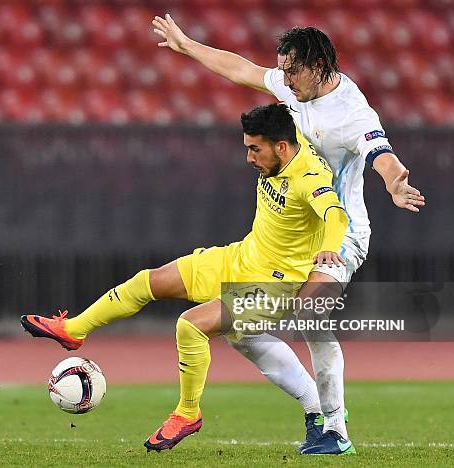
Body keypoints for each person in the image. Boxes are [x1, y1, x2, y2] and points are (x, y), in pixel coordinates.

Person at [151, 15, 426, 454]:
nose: (284, 77)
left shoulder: (352, 112)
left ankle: (336, 432)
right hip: (294, 240)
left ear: (318, 65)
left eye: (292, 69)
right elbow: (241, 68)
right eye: (282, 68)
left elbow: (381, 153)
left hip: (340, 238)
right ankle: (317, 410)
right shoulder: (292, 84)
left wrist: (394, 183)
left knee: (311, 319)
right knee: (242, 330)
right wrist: (188, 45)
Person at [21, 104, 352, 453]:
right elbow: (263, 82)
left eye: (255, 149)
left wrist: (329, 249)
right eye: (247, 147)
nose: (249, 157)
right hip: (242, 257)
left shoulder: (309, 178)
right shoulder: (288, 136)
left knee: (190, 325)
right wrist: (191, 49)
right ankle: (74, 330)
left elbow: (335, 215)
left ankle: (187, 412)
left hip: (275, 285)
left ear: (281, 148)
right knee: (150, 281)